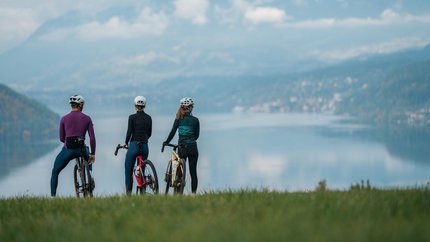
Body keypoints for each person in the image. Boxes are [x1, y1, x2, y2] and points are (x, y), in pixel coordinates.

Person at [50, 95, 96, 197]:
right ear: (81, 105)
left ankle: (53, 197)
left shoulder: (64, 119)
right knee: (88, 154)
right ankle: (90, 175)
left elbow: (62, 138)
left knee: (55, 171)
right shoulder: (87, 118)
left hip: (68, 150)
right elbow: (92, 138)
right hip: (81, 149)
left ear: (72, 105)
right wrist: (93, 154)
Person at [163, 97, 200, 194]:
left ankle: (179, 192)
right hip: (193, 148)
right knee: (193, 173)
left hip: (182, 148)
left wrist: (166, 142)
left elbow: (172, 133)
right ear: (190, 108)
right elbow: (196, 136)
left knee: (179, 173)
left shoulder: (178, 119)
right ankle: (194, 195)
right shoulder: (196, 120)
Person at [123, 96, 152, 195]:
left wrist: (126, 143)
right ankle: (142, 191)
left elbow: (129, 132)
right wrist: (144, 139)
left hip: (134, 145)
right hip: (144, 146)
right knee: (142, 170)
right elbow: (149, 133)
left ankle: (129, 194)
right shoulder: (149, 118)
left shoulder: (132, 117)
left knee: (128, 170)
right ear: (144, 105)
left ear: (135, 105)